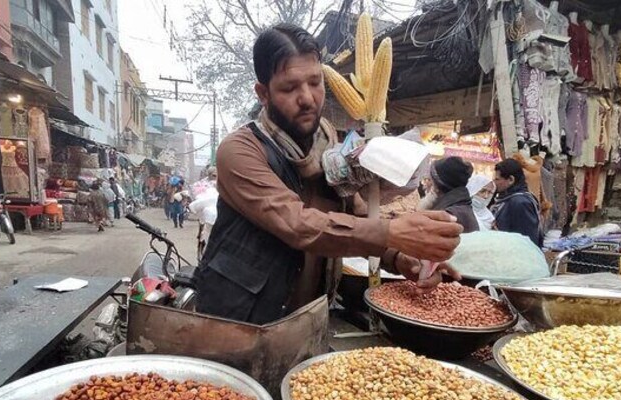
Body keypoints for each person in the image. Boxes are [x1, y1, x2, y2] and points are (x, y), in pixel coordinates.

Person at [195, 23, 462, 325]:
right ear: (263, 93)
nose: (308, 98)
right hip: (241, 321)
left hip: (305, 318)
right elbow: (298, 224)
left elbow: (357, 214)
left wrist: (402, 258)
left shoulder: (329, 147)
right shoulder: (240, 150)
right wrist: (393, 232)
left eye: (315, 82)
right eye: (289, 88)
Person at [422, 157, 479, 233]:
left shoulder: (447, 215)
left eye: (430, 180)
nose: (426, 184)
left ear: (436, 187)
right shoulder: (459, 207)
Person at [491, 158, 541, 246]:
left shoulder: (520, 203)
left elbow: (526, 240)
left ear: (511, 180)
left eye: (497, 179)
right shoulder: (508, 198)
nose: (494, 183)